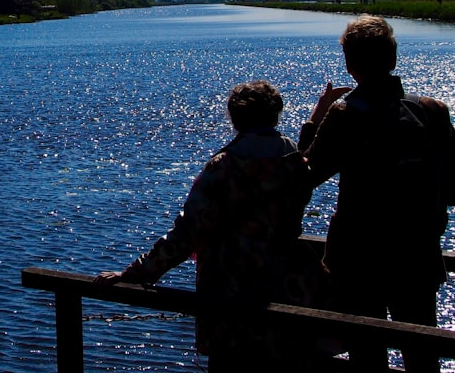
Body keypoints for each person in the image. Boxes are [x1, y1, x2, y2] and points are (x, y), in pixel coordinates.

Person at [96, 80, 327, 370]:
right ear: (275, 114)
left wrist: (135, 273)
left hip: (232, 302)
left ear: (235, 118)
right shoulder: (294, 162)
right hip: (290, 294)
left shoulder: (224, 167)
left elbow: (186, 234)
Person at [300, 15, 455, 372]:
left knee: (367, 358)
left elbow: (303, 177)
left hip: (358, 260)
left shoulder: (345, 114)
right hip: (418, 255)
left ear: (349, 65)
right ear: (393, 59)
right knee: (423, 356)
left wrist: (315, 119)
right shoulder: (431, 111)